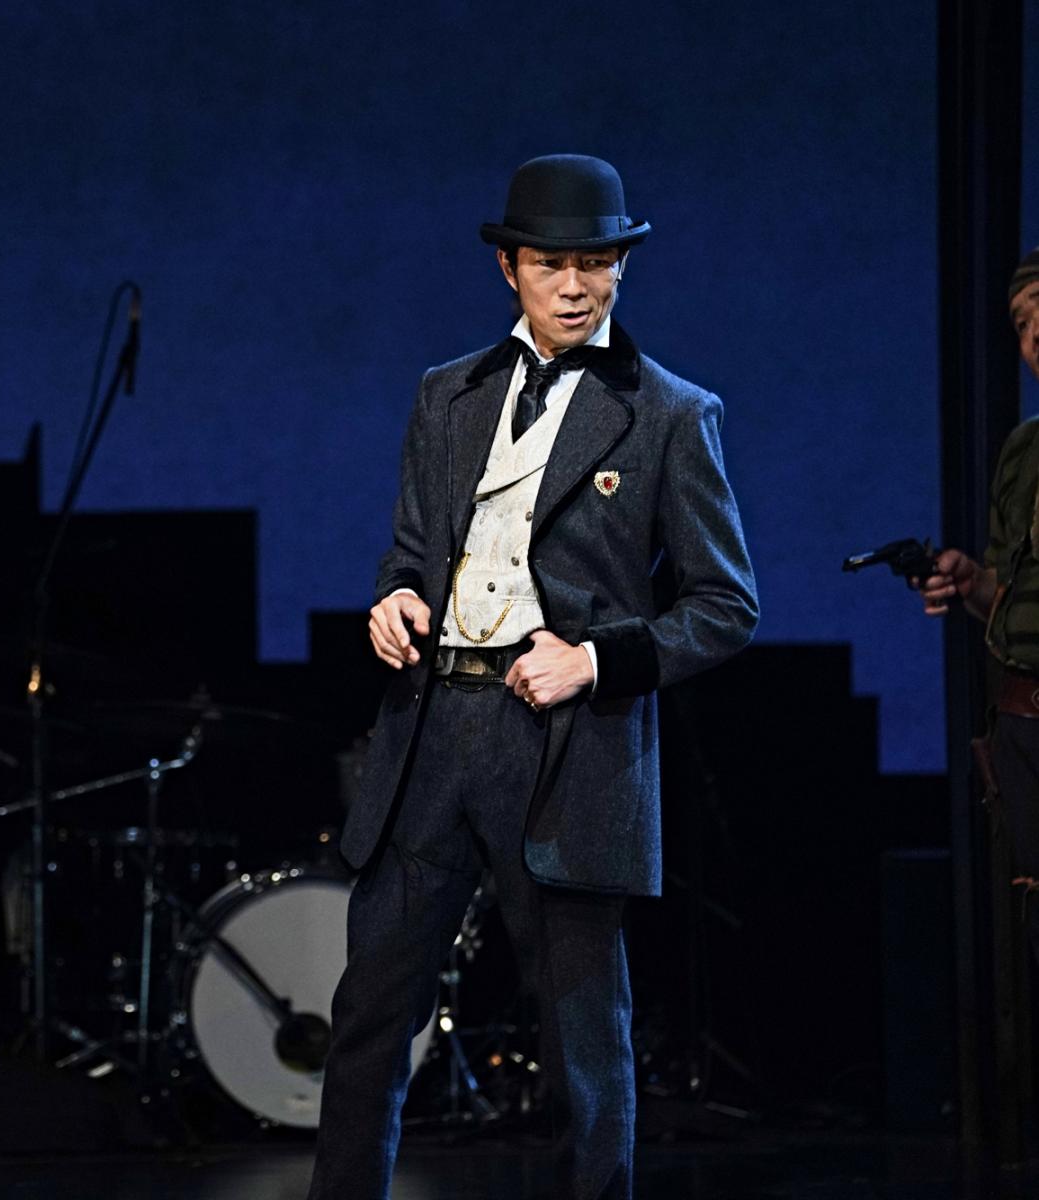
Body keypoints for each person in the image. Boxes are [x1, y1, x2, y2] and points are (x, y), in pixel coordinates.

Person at [309, 155, 758, 1200]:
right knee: (370, 1012)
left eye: (594, 262)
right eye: (551, 263)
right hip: (429, 731)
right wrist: (393, 599)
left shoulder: (669, 413)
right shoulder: (447, 394)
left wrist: (592, 661)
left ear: (619, 268)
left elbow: (724, 605)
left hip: (561, 746)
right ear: (507, 268)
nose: (573, 285)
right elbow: (411, 552)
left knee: (578, 1034)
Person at [917, 244, 1039, 964]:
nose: (1034, 335)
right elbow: (1011, 602)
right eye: (1021, 323)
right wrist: (973, 586)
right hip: (1024, 726)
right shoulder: (1023, 452)